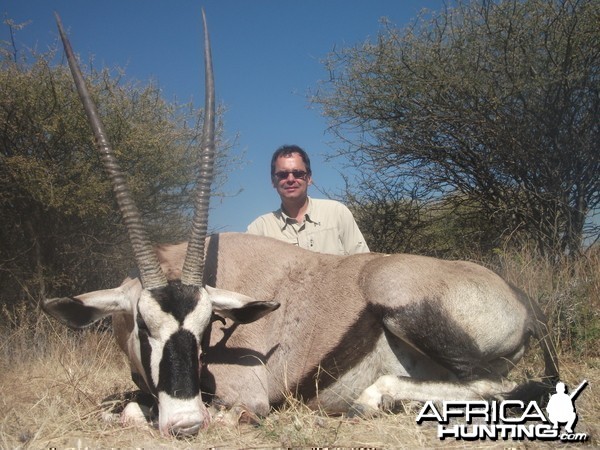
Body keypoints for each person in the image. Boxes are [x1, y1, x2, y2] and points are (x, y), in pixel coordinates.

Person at [247, 145, 369, 255]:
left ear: (309, 178)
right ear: (273, 181)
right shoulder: (259, 230)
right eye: (283, 175)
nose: (290, 179)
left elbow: (363, 263)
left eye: (298, 174)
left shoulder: (337, 213)